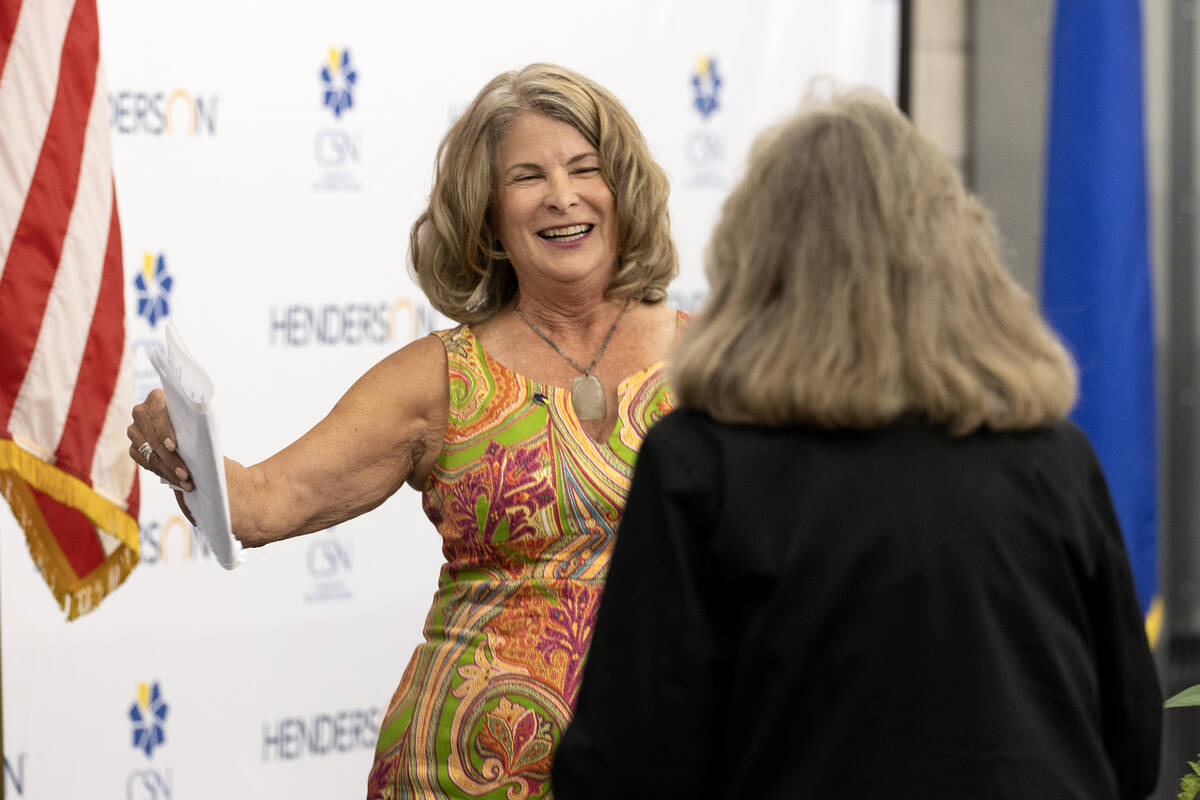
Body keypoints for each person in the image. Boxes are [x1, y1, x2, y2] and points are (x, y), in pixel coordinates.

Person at [551, 90, 1162, 800]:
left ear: (755, 260)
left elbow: (625, 768)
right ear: (958, 250)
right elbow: (1133, 747)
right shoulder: (1052, 458)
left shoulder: (700, 464)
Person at [127, 63, 687, 799]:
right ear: (486, 215)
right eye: (527, 177)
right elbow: (264, 503)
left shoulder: (718, 362)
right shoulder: (438, 376)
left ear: (623, 190)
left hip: (667, 761)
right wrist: (179, 446)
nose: (562, 196)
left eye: (585, 169)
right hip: (455, 775)